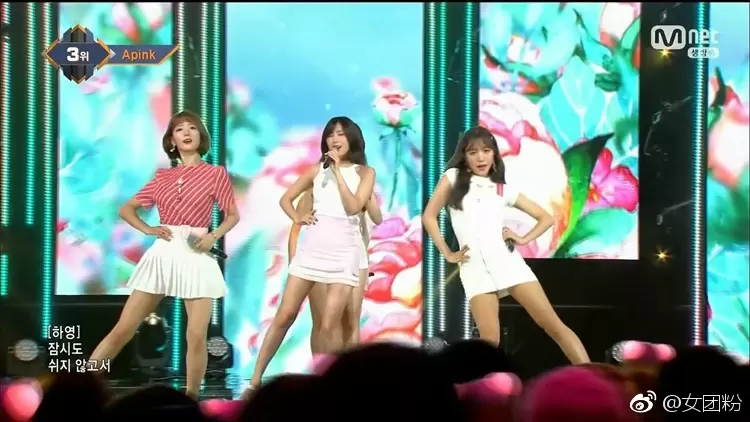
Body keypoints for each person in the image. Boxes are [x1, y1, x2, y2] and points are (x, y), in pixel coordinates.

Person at [88, 110, 239, 399]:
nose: (186, 133)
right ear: (171, 140)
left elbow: (232, 215)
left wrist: (212, 236)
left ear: (201, 136)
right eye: (180, 129)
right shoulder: (162, 177)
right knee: (123, 328)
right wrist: (148, 229)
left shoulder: (215, 174)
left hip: (196, 254)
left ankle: (191, 398)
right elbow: (126, 209)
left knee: (196, 335)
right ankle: (81, 386)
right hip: (164, 252)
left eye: (192, 128)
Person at [422, 126, 589, 364]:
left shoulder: (502, 188)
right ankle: (483, 383)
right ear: (464, 157)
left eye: (486, 151)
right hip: (474, 267)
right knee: (489, 340)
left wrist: (523, 238)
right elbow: (429, 216)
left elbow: (546, 218)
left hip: (508, 263)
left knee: (552, 323)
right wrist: (447, 253)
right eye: (473, 152)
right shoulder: (452, 178)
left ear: (494, 154)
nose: (480, 158)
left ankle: (592, 374)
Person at [244, 116, 376, 395]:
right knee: (285, 315)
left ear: (352, 138)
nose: (334, 139)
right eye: (330, 134)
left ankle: (331, 384)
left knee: (330, 323)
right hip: (311, 253)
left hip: (344, 255)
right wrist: (297, 216)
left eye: (340, 134)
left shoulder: (365, 173)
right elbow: (286, 199)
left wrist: (337, 173)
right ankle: (255, 379)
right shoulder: (316, 171)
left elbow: (354, 207)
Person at [289, 189, 382, 353]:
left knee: (351, 322)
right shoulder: (315, 190)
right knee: (324, 322)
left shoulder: (363, 191)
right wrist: (296, 267)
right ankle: (323, 366)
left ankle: (349, 366)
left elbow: (373, 223)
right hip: (320, 260)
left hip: (356, 261)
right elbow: (296, 231)